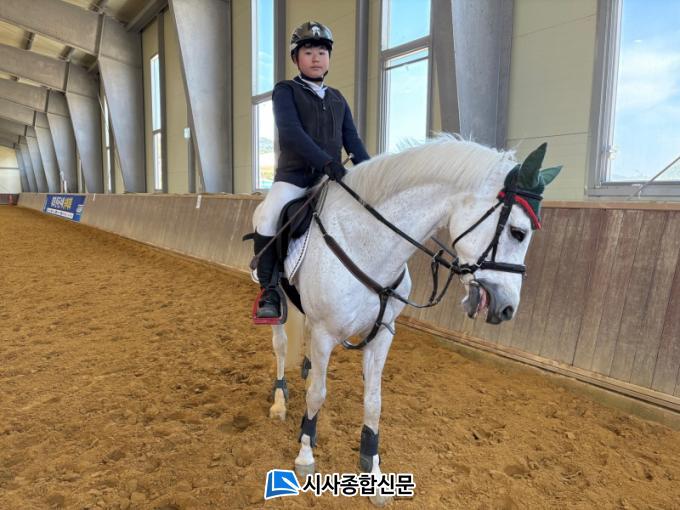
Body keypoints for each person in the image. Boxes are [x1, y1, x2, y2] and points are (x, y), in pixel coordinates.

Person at [252, 21, 371, 319]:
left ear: (329, 58)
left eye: (321, 52)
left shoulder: (338, 98)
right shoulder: (286, 91)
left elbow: (352, 140)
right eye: (308, 52)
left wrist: (370, 172)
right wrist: (326, 162)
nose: (316, 58)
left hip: (331, 180)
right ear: (296, 58)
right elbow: (291, 133)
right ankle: (269, 290)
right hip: (294, 179)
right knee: (267, 217)